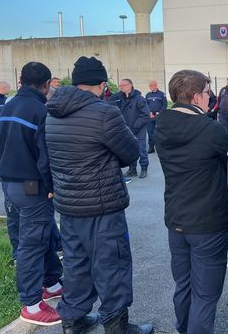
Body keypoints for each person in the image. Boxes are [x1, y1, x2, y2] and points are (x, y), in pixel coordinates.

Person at [46, 56, 153, 334]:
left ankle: (73, 320)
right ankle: (117, 326)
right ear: (102, 84)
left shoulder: (53, 111)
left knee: (76, 263)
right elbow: (130, 152)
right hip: (101, 205)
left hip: (68, 205)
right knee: (111, 266)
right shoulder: (104, 113)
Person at [155, 70, 228, 334]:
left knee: (184, 285)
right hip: (208, 222)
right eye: (208, 92)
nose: (211, 97)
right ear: (197, 97)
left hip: (176, 219)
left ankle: (184, 329)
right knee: (206, 294)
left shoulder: (162, 124)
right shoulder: (212, 130)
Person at [0, 62, 63, 326]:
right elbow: (45, 155)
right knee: (32, 243)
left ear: (21, 80)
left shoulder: (6, 107)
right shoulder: (39, 111)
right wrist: (52, 186)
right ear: (45, 85)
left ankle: (52, 283)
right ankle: (32, 304)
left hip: (9, 183)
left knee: (40, 233)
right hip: (32, 186)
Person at [113, 79, 150, 178]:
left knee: (142, 151)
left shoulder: (139, 99)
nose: (121, 87)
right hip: (125, 130)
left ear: (130, 85)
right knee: (129, 151)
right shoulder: (119, 98)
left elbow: (145, 115)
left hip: (138, 130)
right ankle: (132, 170)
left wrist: (135, 127)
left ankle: (144, 169)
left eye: (123, 85)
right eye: (120, 85)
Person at [145, 80, 167, 154]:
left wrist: (159, 113)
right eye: (149, 86)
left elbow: (165, 105)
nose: (150, 87)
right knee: (150, 131)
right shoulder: (148, 95)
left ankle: (160, 147)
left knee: (159, 132)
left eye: (152, 85)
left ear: (156, 85)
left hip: (159, 116)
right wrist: (149, 112)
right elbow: (146, 105)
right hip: (150, 116)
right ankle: (151, 147)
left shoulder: (161, 94)